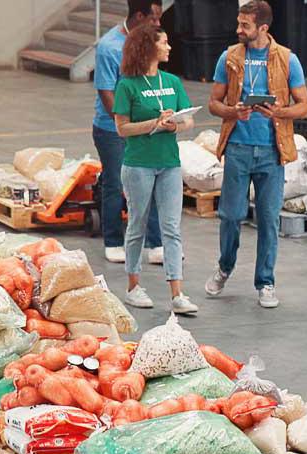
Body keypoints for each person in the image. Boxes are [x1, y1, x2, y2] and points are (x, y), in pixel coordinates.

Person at [203, 0, 307, 309]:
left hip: (271, 151)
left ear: (263, 28)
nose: (238, 29)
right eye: (239, 23)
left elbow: (304, 104)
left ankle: (265, 282)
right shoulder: (230, 57)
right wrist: (232, 112)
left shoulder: (287, 59)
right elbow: (214, 102)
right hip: (237, 147)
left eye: (245, 25)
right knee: (231, 215)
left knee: (267, 219)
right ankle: (225, 267)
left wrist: (280, 111)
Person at [112, 26, 198, 315]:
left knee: (172, 227)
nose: (169, 47)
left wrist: (175, 124)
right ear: (149, 48)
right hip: (138, 165)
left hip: (169, 163)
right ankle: (133, 287)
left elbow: (188, 122)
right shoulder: (127, 85)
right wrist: (153, 125)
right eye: (165, 42)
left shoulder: (172, 81)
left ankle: (177, 293)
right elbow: (122, 129)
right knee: (137, 224)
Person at [92, 0, 165, 267]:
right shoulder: (108, 47)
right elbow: (105, 91)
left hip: (145, 125)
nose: (158, 24)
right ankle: (113, 241)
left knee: (151, 180)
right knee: (115, 182)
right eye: (154, 18)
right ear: (138, 16)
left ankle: (155, 243)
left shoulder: (150, 42)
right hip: (111, 129)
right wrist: (124, 124)